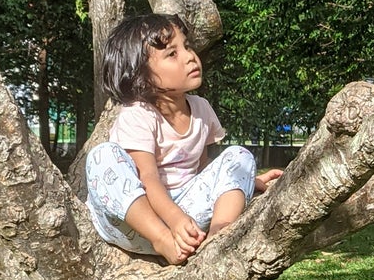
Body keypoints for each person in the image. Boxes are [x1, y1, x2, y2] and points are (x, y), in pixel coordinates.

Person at [85, 13, 282, 263]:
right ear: (141, 76)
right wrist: (173, 221)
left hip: (188, 221)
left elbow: (200, 170)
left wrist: (243, 179)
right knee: (102, 156)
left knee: (239, 155)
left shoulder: (201, 109)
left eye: (186, 46)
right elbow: (148, 179)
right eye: (172, 54)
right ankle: (162, 240)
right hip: (134, 222)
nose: (190, 57)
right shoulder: (138, 115)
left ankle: (219, 237)